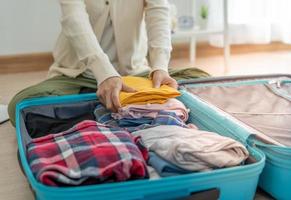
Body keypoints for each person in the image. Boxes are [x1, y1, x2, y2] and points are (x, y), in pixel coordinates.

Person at [8, 0, 209, 126]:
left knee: (202, 81)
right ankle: (133, 110)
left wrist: (160, 67)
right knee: (21, 105)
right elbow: (73, 19)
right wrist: (104, 74)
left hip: (134, 76)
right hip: (80, 76)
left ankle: (112, 109)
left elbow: (159, 13)